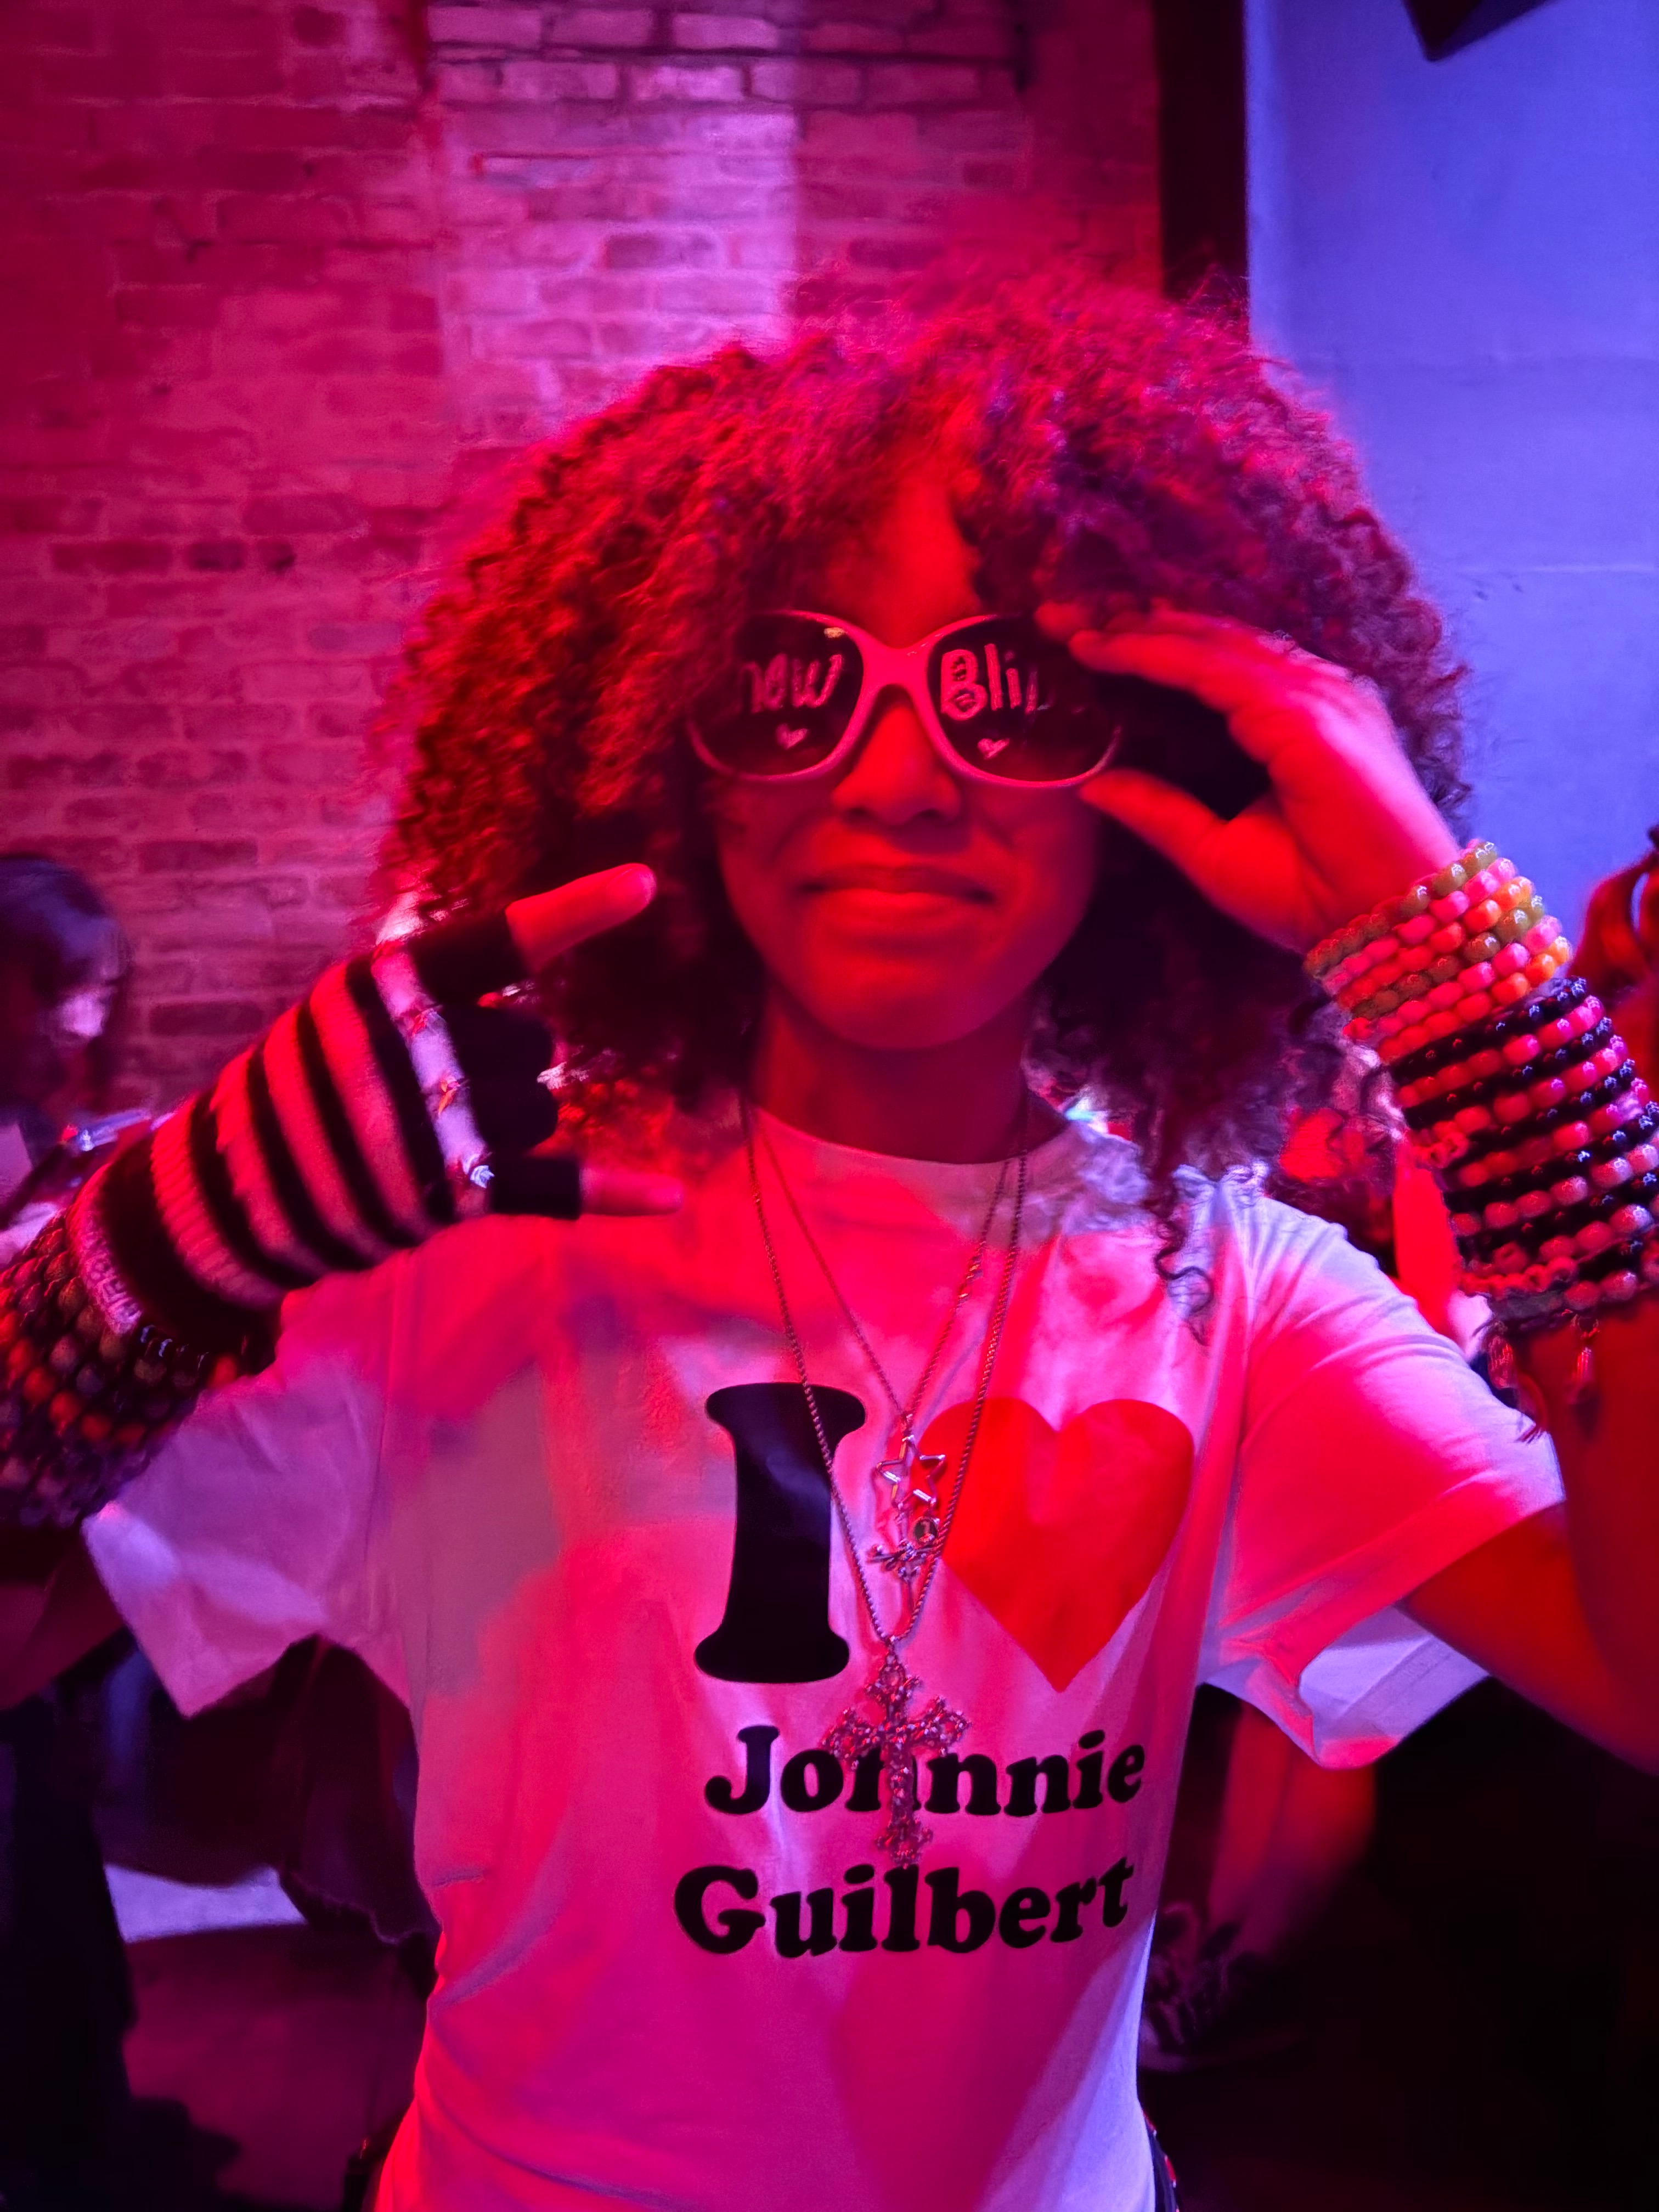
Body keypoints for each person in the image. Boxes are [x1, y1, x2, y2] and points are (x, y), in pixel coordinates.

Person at [2, 273, 1656, 2212]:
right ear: (674, 749)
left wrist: (1481, 1006)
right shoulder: (472, 1254)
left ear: (1156, 762)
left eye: (1004, 693)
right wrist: (147, 1266)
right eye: (795, 685)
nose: (893, 780)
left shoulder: (1234, 1301)